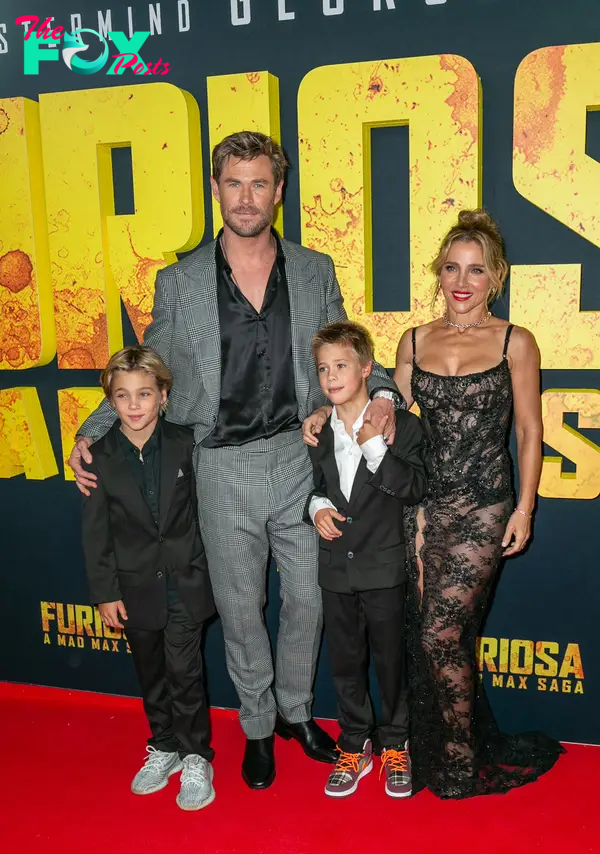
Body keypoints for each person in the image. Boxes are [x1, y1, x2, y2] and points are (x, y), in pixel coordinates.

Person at [68, 131, 402, 790]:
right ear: (216, 188)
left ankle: (296, 713)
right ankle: (256, 726)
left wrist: (384, 390)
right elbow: (150, 362)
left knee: (309, 598)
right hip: (218, 466)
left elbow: (349, 348)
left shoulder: (313, 269)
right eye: (233, 182)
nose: (246, 197)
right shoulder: (181, 280)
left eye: (259, 183)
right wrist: (93, 427)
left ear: (279, 191)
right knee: (242, 608)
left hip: (299, 458)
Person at [304, 209, 564, 799]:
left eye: (475, 269)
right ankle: (419, 744)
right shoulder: (414, 340)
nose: (462, 280)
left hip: (482, 506)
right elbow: (382, 396)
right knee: (419, 630)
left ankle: (457, 756)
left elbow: (528, 430)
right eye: (451, 268)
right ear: (438, 275)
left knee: (444, 633)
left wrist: (525, 508)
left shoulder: (515, 342)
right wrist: (327, 411)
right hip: (418, 501)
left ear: (495, 276)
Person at [81, 347, 215, 811]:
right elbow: (96, 532)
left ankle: (197, 754)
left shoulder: (187, 442)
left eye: (144, 394)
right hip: (133, 585)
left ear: (162, 396)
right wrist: (104, 593)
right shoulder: (98, 457)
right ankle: (164, 746)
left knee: (185, 669)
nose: (134, 405)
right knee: (151, 672)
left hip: (187, 579)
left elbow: (207, 512)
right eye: (123, 396)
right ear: (111, 401)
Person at [304, 322, 426, 798]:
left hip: (383, 566)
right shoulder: (318, 430)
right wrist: (316, 509)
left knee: (390, 660)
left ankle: (396, 743)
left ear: (366, 369)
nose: (331, 377)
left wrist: (375, 446)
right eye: (323, 369)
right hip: (335, 567)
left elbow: (416, 487)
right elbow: (317, 488)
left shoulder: (403, 426)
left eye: (341, 366)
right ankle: (354, 743)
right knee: (345, 662)